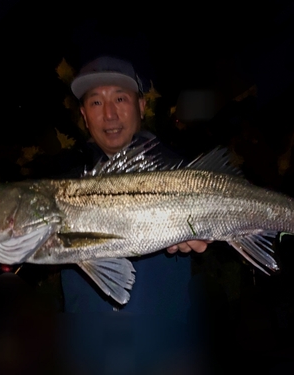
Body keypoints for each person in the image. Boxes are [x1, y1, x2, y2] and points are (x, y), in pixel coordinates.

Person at [57, 55, 212, 374]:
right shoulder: (62, 178)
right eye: (96, 102)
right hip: (87, 353)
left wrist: (207, 235)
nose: (109, 113)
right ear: (85, 115)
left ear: (142, 106)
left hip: (166, 353)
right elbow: (15, 248)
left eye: (120, 98)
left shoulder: (181, 173)